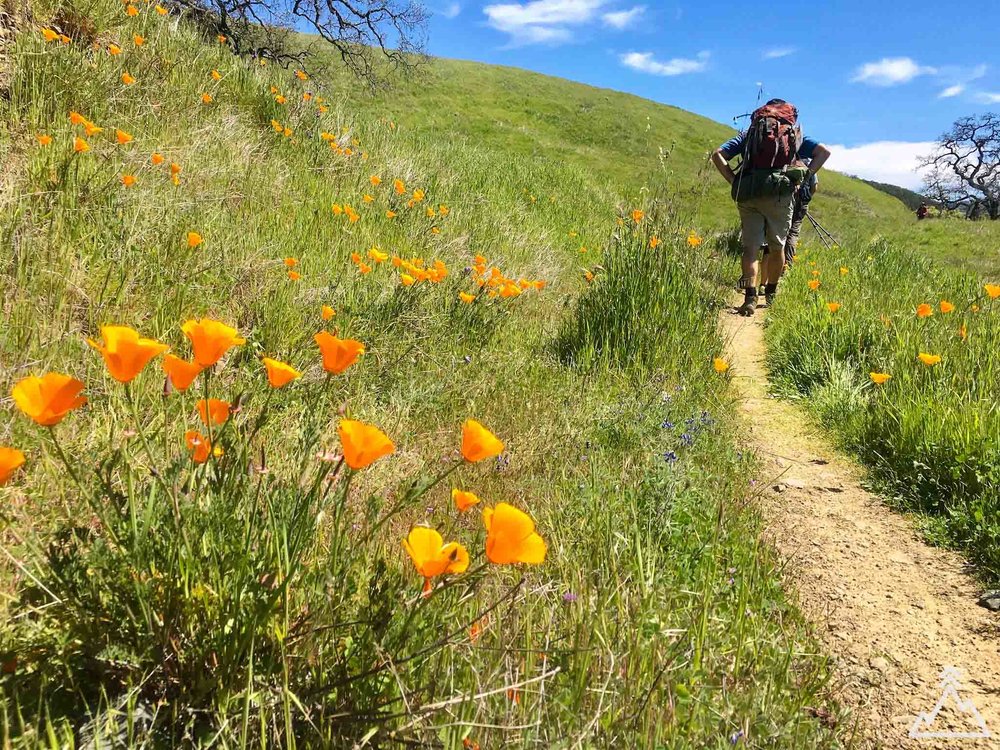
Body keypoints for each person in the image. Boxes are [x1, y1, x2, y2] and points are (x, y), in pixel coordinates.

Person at [711, 99, 831, 315]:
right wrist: (804, 178)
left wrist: (734, 181)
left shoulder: (749, 134)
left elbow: (717, 154)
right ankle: (772, 294)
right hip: (780, 195)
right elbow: (824, 152)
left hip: (749, 194)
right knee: (777, 247)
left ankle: (749, 296)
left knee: (750, 249)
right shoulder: (792, 133)